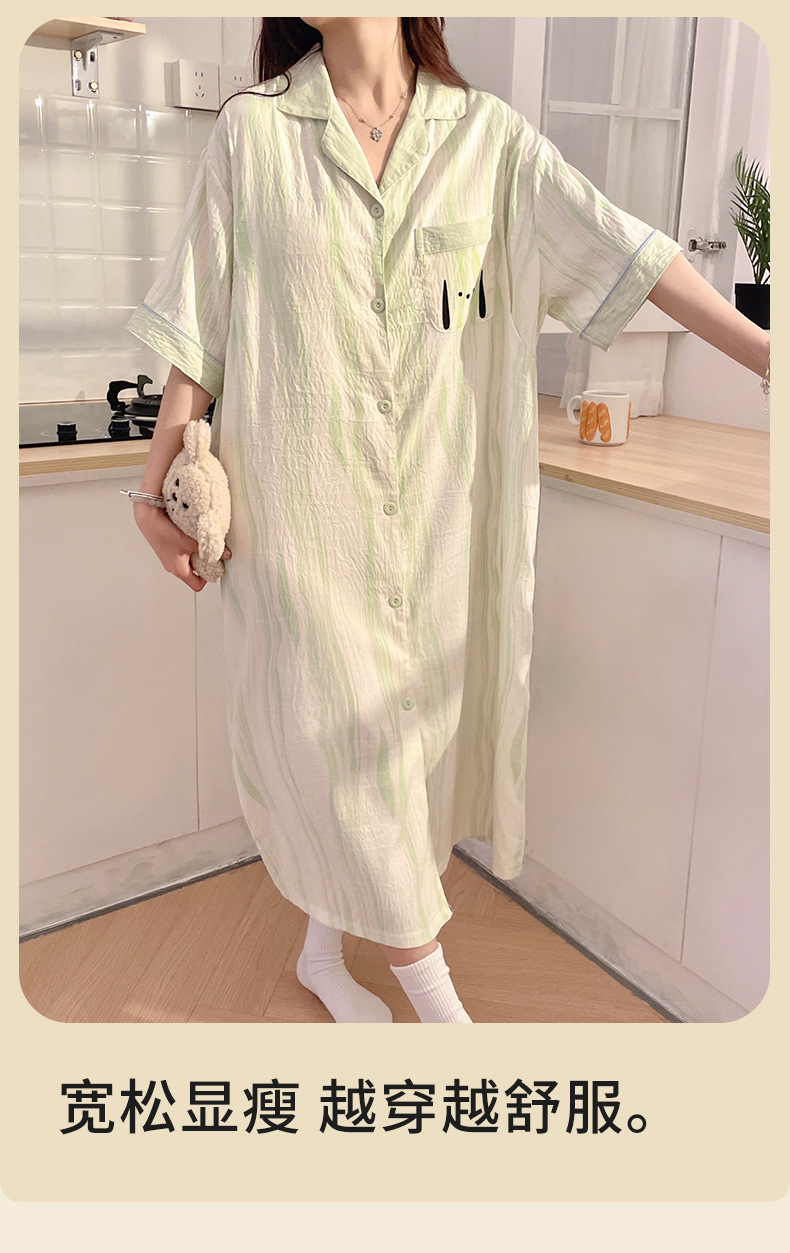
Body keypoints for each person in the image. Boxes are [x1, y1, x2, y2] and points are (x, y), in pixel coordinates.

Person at [125, 17, 770, 1024]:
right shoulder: (253, 135)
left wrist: (766, 353)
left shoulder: (488, 142)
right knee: (347, 756)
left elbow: (625, 252)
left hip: (437, 533)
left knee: (391, 768)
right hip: (301, 529)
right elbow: (198, 330)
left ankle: (320, 957)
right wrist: (152, 487)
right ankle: (447, 1023)